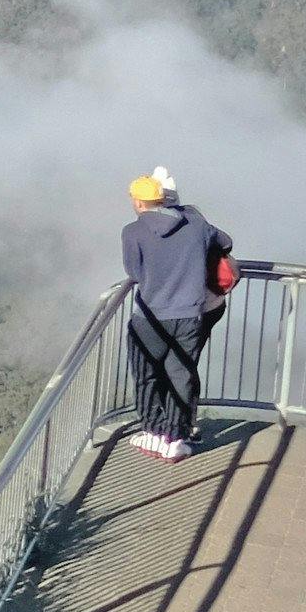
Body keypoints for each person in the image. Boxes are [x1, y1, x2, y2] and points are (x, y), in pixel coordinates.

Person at [119, 169, 232, 460]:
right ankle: (176, 437)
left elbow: (134, 272)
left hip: (151, 315)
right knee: (180, 372)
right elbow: (226, 242)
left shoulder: (133, 232)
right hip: (189, 314)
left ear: (139, 202)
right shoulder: (196, 226)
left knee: (147, 373)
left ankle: (152, 431)